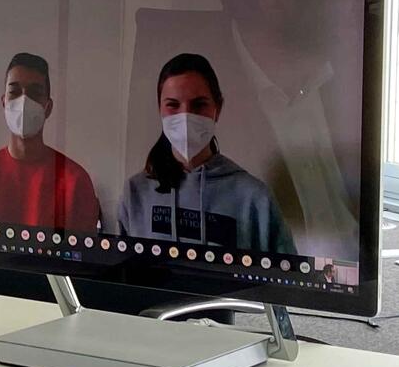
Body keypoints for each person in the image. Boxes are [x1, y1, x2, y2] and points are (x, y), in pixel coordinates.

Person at [118, 53, 296, 254]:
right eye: (173, 105)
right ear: (159, 108)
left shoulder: (254, 198)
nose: (185, 115)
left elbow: (286, 278)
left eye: (199, 104)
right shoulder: (136, 194)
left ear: (217, 108)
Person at [0, 52, 100, 231]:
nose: (24, 101)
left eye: (35, 93)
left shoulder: (75, 182)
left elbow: (85, 255)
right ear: (4, 102)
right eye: (14, 91)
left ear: (48, 107)